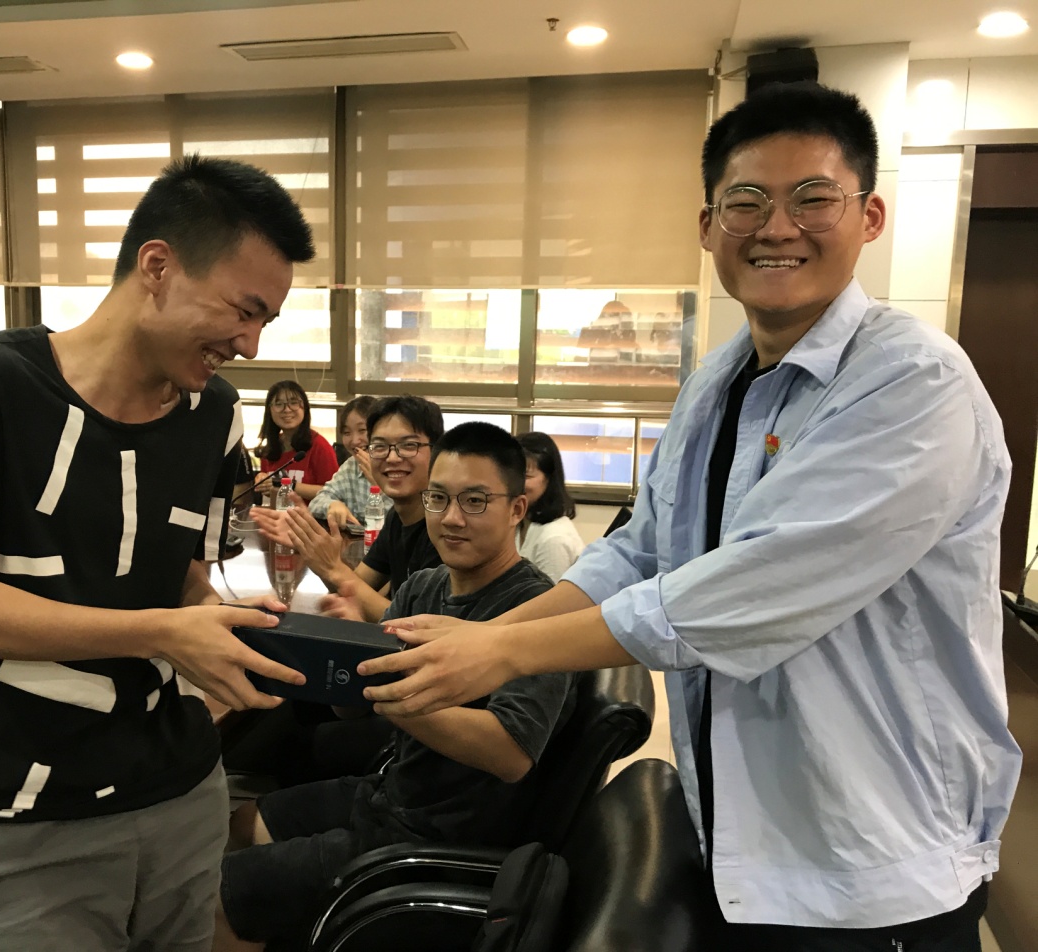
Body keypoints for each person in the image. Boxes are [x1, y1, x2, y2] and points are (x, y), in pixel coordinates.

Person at [360, 82, 1020, 951]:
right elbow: (640, 549)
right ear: (708, 227)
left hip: (872, 856)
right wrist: (484, 638)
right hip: (743, 841)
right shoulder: (716, 380)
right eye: (745, 202)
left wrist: (503, 652)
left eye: (811, 198)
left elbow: (755, 587)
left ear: (868, 216)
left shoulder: (911, 380)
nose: (775, 228)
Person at [0, 154, 316, 952]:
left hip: (181, 794)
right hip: (19, 818)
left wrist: (220, 626)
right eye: (243, 311)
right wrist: (159, 632)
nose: (247, 343)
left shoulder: (214, 414)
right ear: (157, 267)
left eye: (265, 323)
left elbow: (185, 580)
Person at [214, 422, 573, 951]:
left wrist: (388, 691)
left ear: (517, 509)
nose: (451, 518)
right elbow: (354, 711)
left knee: (219, 898)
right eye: (439, 498)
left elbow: (510, 752)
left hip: (438, 838)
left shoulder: (536, 610)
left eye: (475, 501)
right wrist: (342, 656)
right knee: (241, 823)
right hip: (390, 795)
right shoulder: (425, 586)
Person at [253, 395, 444, 622]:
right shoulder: (397, 518)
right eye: (379, 446)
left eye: (408, 445)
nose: (392, 457)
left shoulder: (447, 527)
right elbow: (354, 590)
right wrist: (314, 550)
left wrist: (333, 567)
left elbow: (419, 626)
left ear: (438, 451)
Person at [308, 394, 394, 528]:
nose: (354, 441)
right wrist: (333, 505)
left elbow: (405, 518)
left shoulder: (396, 464)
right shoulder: (351, 465)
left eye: (362, 430)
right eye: (347, 433)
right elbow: (316, 502)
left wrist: (380, 484)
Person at [253, 379, 338, 502]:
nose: (287, 409)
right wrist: (263, 481)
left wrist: (289, 485)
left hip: (311, 514)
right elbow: (274, 495)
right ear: (269, 410)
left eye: (293, 403)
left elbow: (333, 492)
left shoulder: (319, 446)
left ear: (305, 407)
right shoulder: (270, 448)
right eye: (278, 404)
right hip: (278, 512)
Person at [515, 431, 584, 582]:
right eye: (512, 474)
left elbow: (552, 595)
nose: (515, 483)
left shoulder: (553, 539)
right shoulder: (523, 522)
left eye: (526, 476)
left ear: (549, 479)